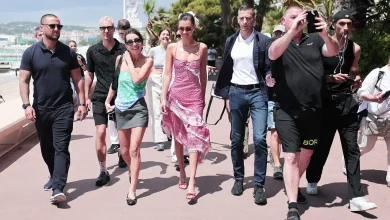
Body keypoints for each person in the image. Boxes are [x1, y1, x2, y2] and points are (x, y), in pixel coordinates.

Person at [267, 5, 339, 219]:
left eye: (302, 17)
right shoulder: (279, 41)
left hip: (313, 110)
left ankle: (293, 185)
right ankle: (292, 205)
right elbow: (273, 54)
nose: (298, 20)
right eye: (293, 17)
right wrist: (291, 31)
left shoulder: (316, 40)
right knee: (290, 155)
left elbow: (333, 51)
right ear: (284, 20)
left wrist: (325, 33)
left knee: (306, 155)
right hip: (286, 110)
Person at [305, 11, 377, 212]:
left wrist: (356, 80)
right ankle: (312, 178)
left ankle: (356, 196)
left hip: (347, 104)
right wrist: (329, 78)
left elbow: (354, 71)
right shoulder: (321, 46)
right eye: (342, 24)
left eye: (349, 24)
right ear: (334, 25)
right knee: (322, 147)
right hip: (325, 104)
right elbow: (311, 75)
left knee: (352, 149)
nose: (346, 28)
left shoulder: (355, 48)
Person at [19, 14, 87, 203]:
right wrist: (26, 105)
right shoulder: (30, 53)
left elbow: (77, 79)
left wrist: (82, 103)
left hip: (64, 107)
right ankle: (54, 175)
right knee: (46, 147)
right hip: (41, 108)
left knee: (61, 147)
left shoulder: (68, 53)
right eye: (52, 26)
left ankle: (58, 187)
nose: (56, 29)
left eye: (59, 26)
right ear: (42, 28)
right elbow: (24, 80)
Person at [214, 5, 270, 205]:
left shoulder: (263, 41)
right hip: (236, 92)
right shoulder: (231, 40)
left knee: (260, 138)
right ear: (237, 20)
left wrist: (270, 78)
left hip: (257, 93)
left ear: (254, 19)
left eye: (248, 18)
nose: (245, 21)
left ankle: (259, 184)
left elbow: (268, 67)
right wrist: (227, 95)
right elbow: (228, 69)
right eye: (241, 18)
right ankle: (238, 179)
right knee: (237, 139)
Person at [161, 12, 211, 201]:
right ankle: (182, 171)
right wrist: (163, 98)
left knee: (195, 137)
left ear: (194, 28)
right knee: (179, 137)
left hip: (195, 98)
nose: (184, 32)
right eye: (181, 29)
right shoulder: (172, 48)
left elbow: (203, 74)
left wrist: (203, 96)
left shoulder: (202, 48)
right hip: (176, 97)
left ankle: (191, 180)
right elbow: (167, 74)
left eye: (188, 29)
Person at [105, 28, 152, 205]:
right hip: (121, 109)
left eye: (137, 40)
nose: (134, 44)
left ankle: (132, 190)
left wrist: (129, 60)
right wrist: (108, 99)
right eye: (130, 41)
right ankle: (133, 171)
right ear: (126, 45)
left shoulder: (148, 61)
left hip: (138, 108)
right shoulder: (120, 59)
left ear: (142, 42)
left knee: (134, 149)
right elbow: (116, 81)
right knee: (124, 151)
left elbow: (137, 79)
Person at [85, 16, 127, 187]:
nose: (106, 31)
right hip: (100, 97)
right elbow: (89, 74)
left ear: (114, 29)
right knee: (101, 132)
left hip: (122, 97)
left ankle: (122, 155)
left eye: (109, 27)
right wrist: (86, 97)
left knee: (122, 132)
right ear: (100, 30)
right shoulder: (92, 50)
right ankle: (103, 170)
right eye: (103, 28)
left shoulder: (124, 49)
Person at [356, 55, 390, 188]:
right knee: (365, 147)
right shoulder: (378, 73)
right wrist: (371, 98)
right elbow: (361, 90)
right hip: (373, 118)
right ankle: (349, 162)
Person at [147, 29, 170, 151]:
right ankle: (160, 140)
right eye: (163, 34)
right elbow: (147, 64)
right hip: (154, 82)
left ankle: (169, 133)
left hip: (169, 82)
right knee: (156, 111)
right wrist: (152, 71)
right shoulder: (153, 50)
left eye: (167, 34)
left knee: (169, 110)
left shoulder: (173, 49)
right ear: (159, 37)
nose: (165, 36)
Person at [267, 24, 286, 180]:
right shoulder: (269, 53)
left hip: (290, 100)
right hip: (272, 99)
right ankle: (277, 165)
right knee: (275, 131)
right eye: (277, 34)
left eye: (282, 34)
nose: (279, 37)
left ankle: (275, 154)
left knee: (283, 134)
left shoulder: (292, 52)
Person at [68, 40, 87, 118]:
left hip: (80, 78)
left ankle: (80, 112)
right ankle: (70, 114)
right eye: (71, 46)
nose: (73, 47)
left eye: (74, 46)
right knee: (70, 96)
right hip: (69, 79)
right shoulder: (66, 57)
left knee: (80, 97)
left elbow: (85, 68)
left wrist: (80, 63)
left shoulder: (80, 56)